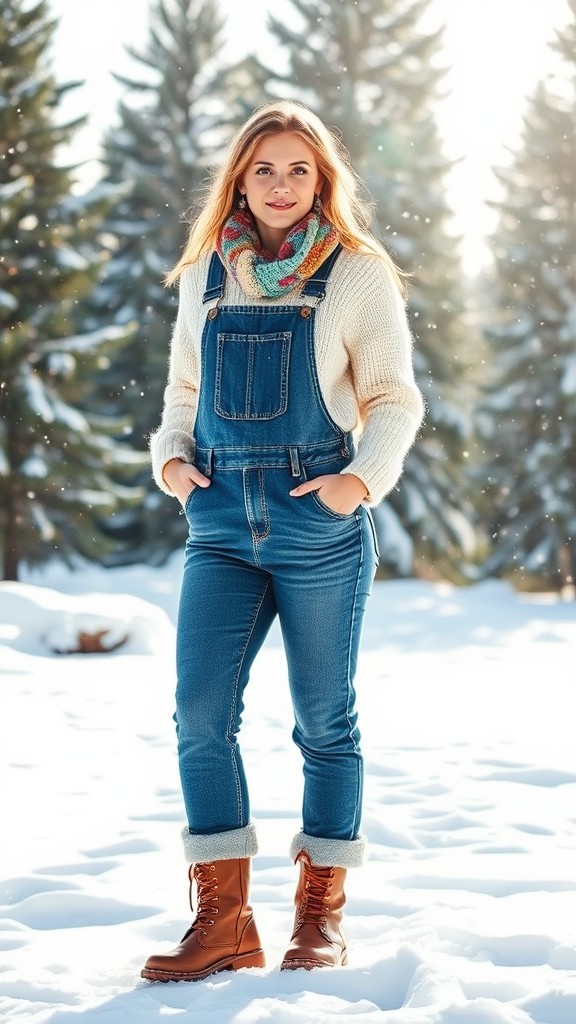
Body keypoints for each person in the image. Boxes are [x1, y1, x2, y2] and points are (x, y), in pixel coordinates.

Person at [142, 100, 424, 983]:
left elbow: (394, 398)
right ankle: (224, 922)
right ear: (239, 177)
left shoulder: (356, 271)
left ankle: (319, 917)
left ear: (322, 179)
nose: (280, 184)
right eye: (264, 168)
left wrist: (357, 482)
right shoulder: (206, 273)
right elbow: (184, 385)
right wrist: (172, 457)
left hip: (317, 527)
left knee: (323, 723)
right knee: (198, 715)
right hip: (221, 525)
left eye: (299, 169)